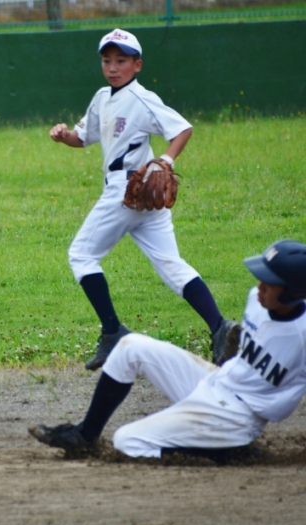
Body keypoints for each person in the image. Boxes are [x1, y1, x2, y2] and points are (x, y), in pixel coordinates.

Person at [50, 28, 238, 370]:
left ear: (137, 65)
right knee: (171, 264)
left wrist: (166, 160)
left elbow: (182, 129)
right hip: (144, 197)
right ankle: (220, 328)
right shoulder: (101, 97)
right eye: (107, 60)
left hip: (127, 191)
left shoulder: (141, 99)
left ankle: (112, 332)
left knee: (82, 256)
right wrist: (64, 137)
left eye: (121, 60)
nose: (113, 67)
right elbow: (83, 137)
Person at [29, 239, 306, 462]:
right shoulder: (256, 301)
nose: (259, 287)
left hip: (237, 418)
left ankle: (225, 451)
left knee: (127, 441)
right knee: (130, 346)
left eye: (269, 283)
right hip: (217, 382)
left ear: (292, 293)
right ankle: (85, 436)